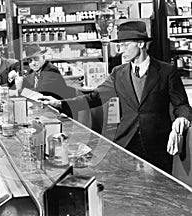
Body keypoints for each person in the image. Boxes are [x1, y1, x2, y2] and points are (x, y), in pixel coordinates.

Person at [41, 21, 192, 174]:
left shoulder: (166, 71)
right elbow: (94, 98)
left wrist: (182, 119)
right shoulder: (118, 73)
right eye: (120, 45)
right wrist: (59, 104)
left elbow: (182, 106)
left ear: (140, 44)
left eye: (125, 45)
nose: (121, 50)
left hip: (158, 146)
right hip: (126, 143)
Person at [22, 43, 76, 117]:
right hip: (45, 109)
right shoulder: (33, 71)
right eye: (30, 61)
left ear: (43, 57)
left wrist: (21, 90)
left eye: (36, 59)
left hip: (59, 112)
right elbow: (25, 84)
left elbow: (41, 90)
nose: (33, 63)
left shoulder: (50, 70)